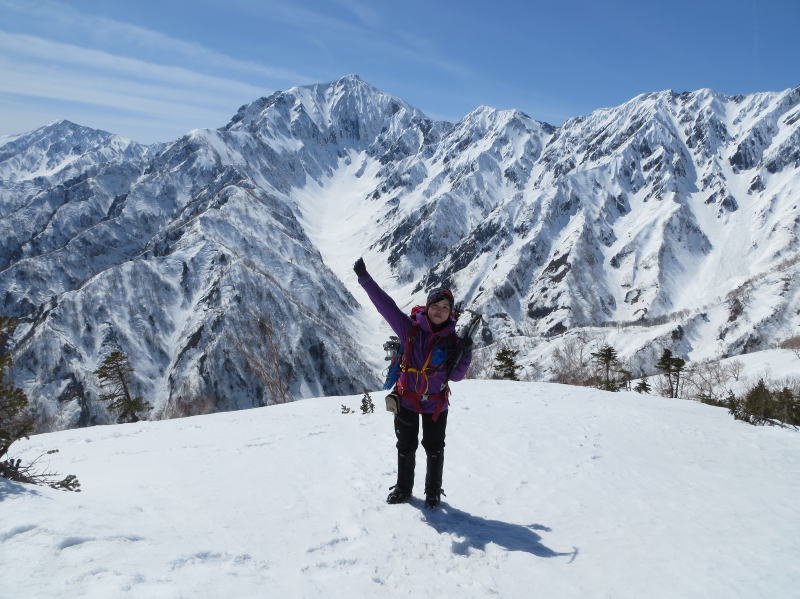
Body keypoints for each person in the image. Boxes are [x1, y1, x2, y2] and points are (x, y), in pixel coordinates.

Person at [353, 258, 472, 508]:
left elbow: (458, 376)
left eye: (445, 307)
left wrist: (466, 353)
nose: (439, 311)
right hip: (407, 398)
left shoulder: (453, 342)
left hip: (436, 405)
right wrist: (365, 279)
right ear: (427, 307)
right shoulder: (411, 330)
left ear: (451, 312)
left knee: (434, 448)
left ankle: (432, 492)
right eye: (435, 305)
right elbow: (386, 306)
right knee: (405, 446)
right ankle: (404, 489)